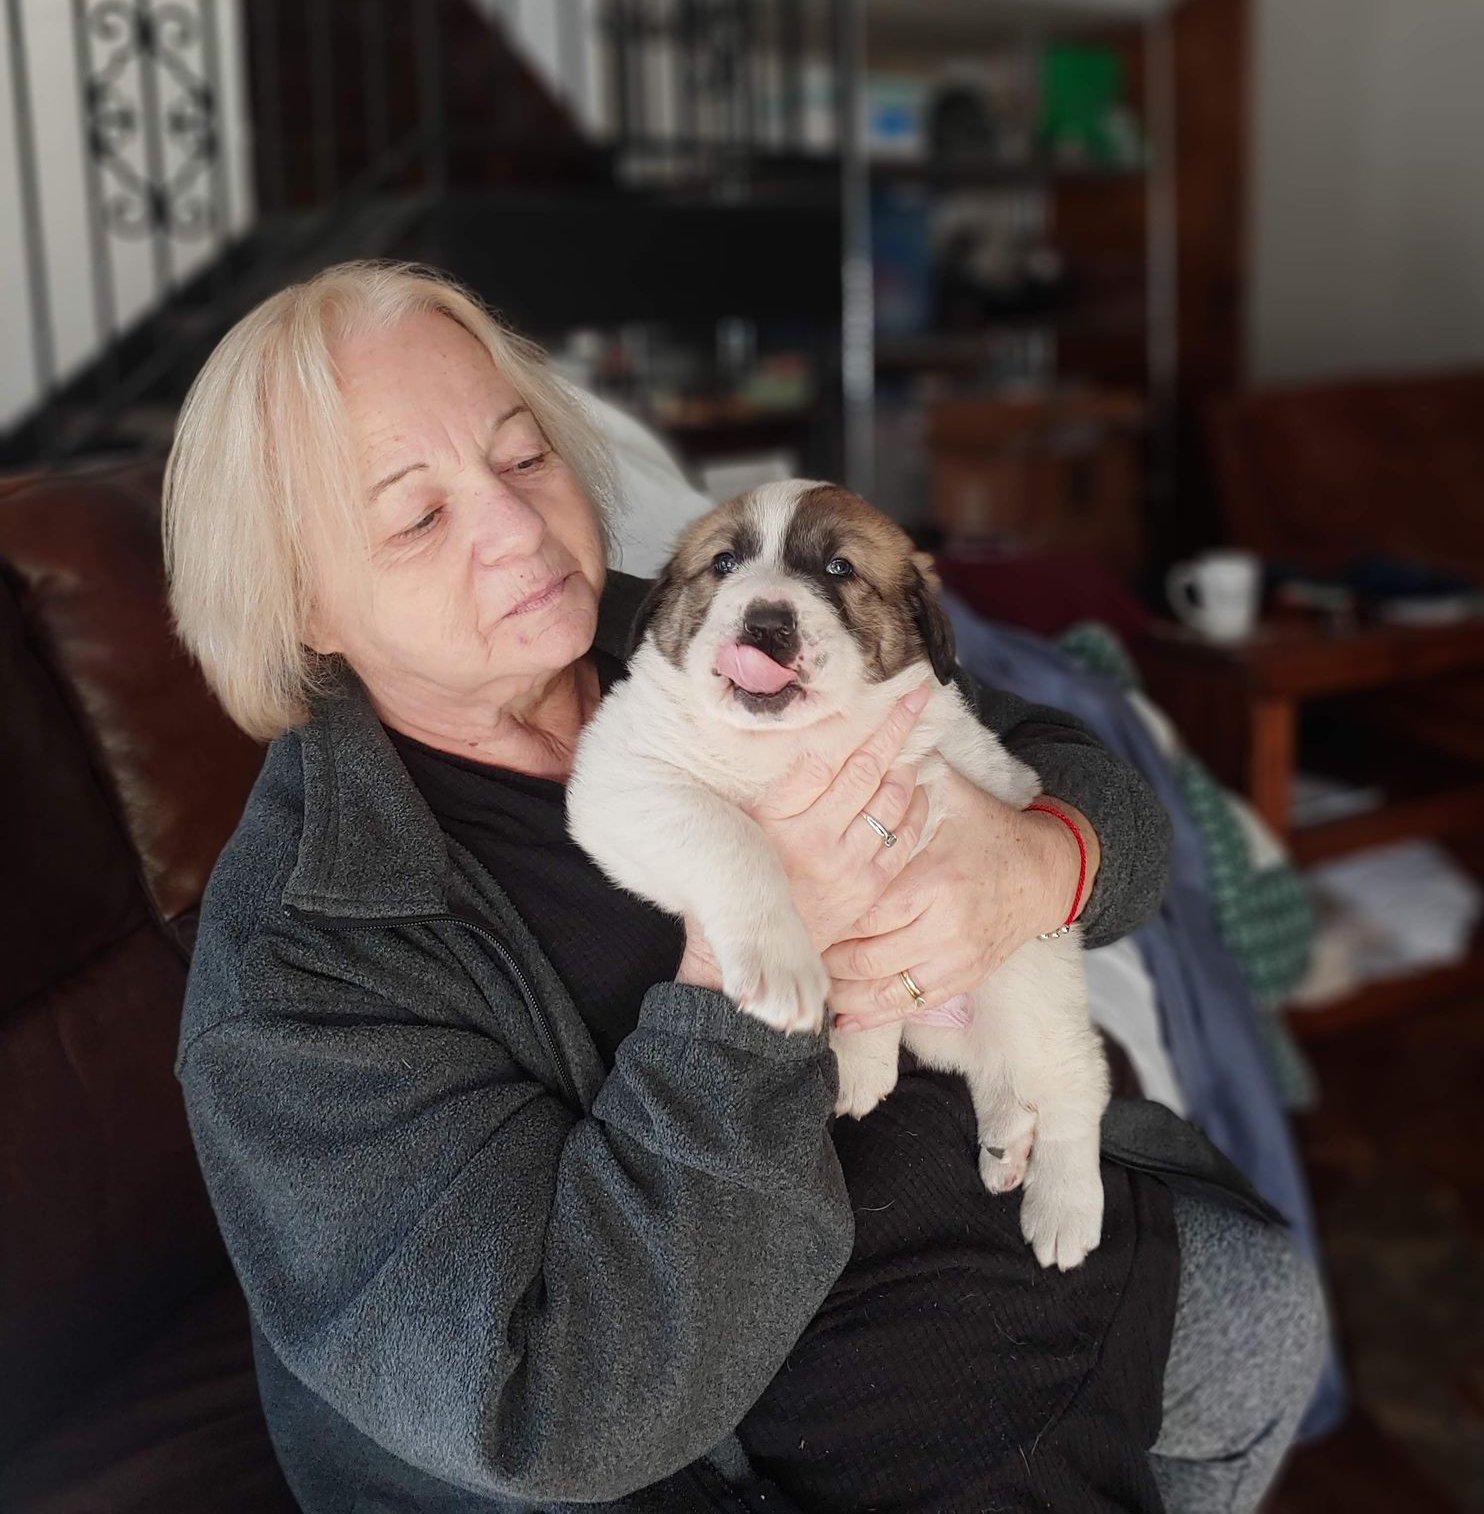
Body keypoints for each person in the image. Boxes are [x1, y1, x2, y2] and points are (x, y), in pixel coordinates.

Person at [168, 260, 1325, 1514]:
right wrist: (750, 967)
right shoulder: (297, 970)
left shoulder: (689, 614)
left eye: (521, 460)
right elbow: (559, 1406)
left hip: (978, 1259)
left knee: (1267, 1317)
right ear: (303, 604)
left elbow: (1082, 780)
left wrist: (1038, 857)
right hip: (730, 1434)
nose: (515, 529)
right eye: (417, 517)